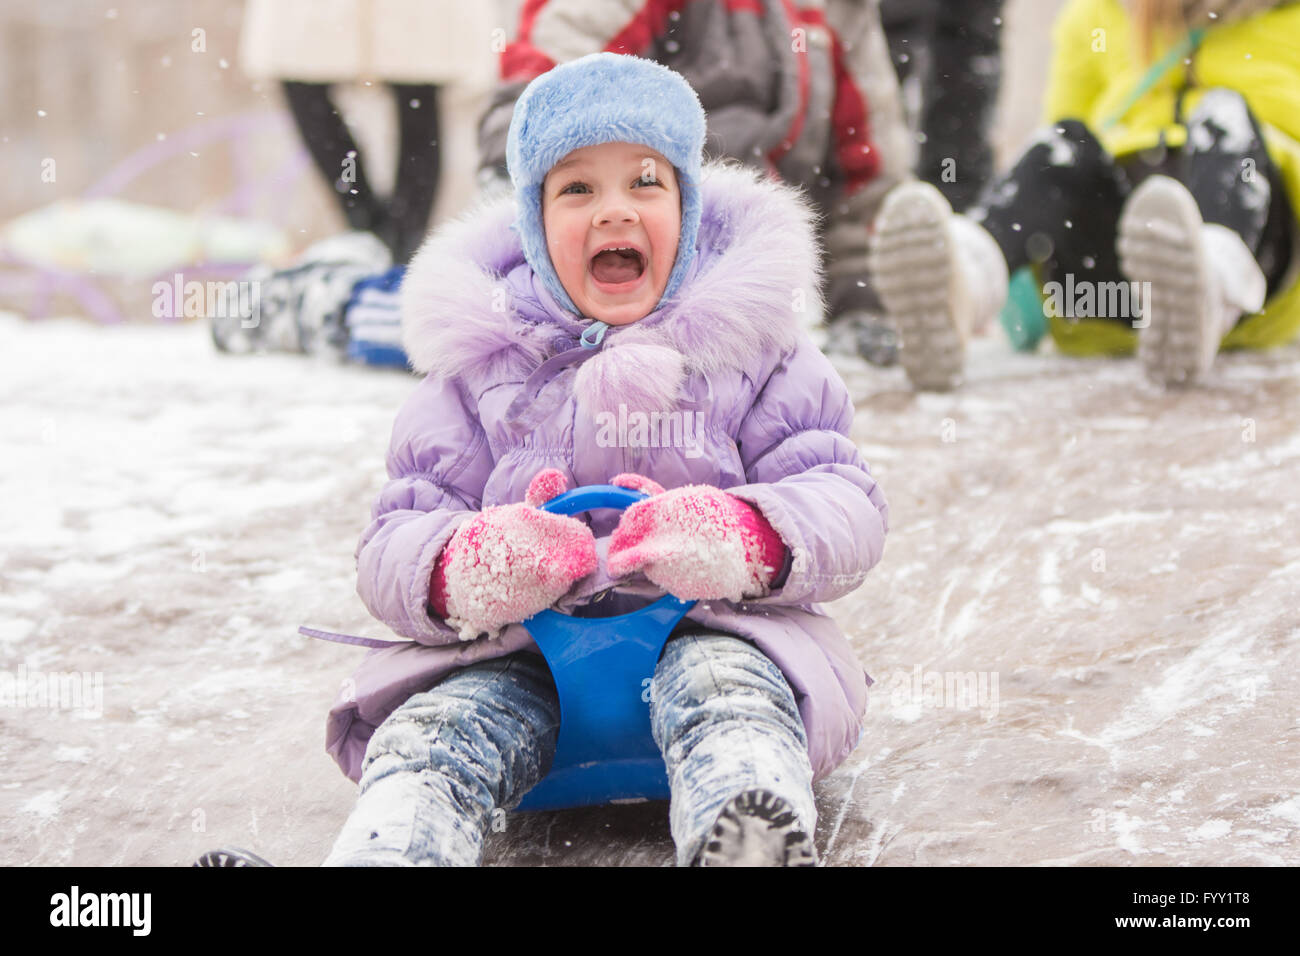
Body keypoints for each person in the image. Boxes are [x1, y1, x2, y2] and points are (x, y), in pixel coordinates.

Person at [198, 53, 888, 867]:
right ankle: (389, 852)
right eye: (576, 190)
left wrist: (747, 536)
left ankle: (744, 835)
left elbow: (843, 497)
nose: (613, 212)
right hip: (519, 657)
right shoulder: (479, 365)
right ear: (531, 219)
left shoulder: (755, 348)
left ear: (688, 207)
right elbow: (393, 539)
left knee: (731, 701)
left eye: (644, 183)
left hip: (710, 629)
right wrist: (463, 568)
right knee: (434, 738)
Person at [869, 0, 1300, 390]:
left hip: (1256, 267)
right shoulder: (1097, 15)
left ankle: (1210, 290)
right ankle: (964, 286)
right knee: (1062, 143)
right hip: (1117, 279)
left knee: (1223, 117)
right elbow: (1067, 132)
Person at [475, 0, 915, 367]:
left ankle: (955, 277)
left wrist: (865, 292)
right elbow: (546, 89)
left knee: (914, 212)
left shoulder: (832, 9)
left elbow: (866, 161)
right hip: (659, 231)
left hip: (765, 245)